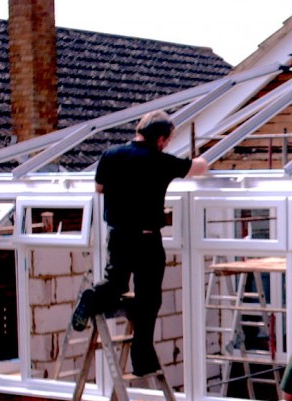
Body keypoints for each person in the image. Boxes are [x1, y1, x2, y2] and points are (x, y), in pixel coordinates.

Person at [71, 110, 208, 376]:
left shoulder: (110, 155)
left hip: (118, 235)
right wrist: (201, 158)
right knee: (148, 299)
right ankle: (142, 358)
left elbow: (99, 188)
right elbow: (199, 167)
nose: (167, 144)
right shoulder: (160, 161)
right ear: (161, 138)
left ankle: (92, 297)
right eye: (167, 139)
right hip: (146, 240)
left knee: (115, 283)